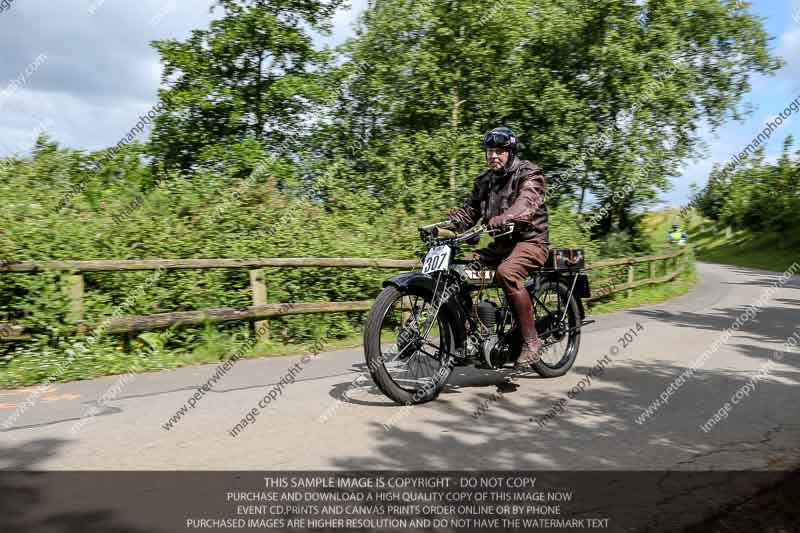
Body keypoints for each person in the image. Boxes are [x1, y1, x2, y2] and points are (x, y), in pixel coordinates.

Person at [448, 127, 549, 367]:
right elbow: (469, 214)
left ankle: (531, 342)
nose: (493, 156)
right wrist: (447, 225)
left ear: (511, 152)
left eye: (500, 151)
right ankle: (468, 340)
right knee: (460, 272)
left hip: (531, 242)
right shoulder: (484, 182)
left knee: (507, 272)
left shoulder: (529, 174)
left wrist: (507, 217)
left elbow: (527, 204)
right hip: (501, 246)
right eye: (490, 151)